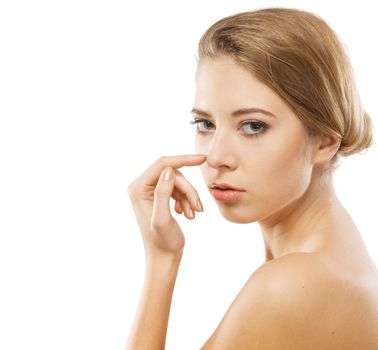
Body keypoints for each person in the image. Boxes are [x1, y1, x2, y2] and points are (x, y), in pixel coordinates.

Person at [125, 7, 378, 349]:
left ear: (325, 141)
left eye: (253, 126)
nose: (215, 157)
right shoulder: (340, 258)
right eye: (206, 124)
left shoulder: (290, 286)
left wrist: (161, 261)